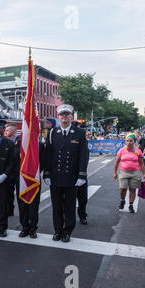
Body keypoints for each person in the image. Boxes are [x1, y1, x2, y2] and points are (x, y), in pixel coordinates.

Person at [43, 104, 88, 243]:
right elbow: (47, 155)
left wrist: (82, 175)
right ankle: (57, 231)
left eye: (67, 114)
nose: (64, 117)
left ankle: (67, 231)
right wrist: (47, 173)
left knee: (69, 206)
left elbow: (83, 155)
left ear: (71, 116)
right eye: (62, 115)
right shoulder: (52, 133)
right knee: (56, 206)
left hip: (71, 177)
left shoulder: (79, 133)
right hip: (56, 176)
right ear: (58, 116)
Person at [17, 132, 47, 239]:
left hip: (34, 178)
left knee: (34, 206)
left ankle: (33, 228)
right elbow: (15, 159)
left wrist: (35, 173)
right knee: (22, 205)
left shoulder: (39, 145)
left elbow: (44, 160)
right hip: (21, 179)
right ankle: (24, 227)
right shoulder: (19, 143)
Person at [113, 133, 145, 213]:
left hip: (135, 173)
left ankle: (131, 205)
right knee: (122, 189)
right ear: (125, 142)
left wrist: (144, 174)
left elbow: (142, 163)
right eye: (127, 141)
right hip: (124, 172)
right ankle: (122, 200)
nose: (128, 142)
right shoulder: (121, 151)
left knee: (132, 189)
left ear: (134, 142)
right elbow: (117, 163)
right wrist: (115, 173)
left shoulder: (138, 151)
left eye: (130, 141)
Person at [73, 121, 90, 225]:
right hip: (70, 174)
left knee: (82, 198)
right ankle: (69, 217)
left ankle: (82, 216)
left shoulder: (83, 141)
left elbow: (85, 157)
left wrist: (82, 173)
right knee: (69, 199)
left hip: (81, 173)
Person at [4, 123, 20, 217]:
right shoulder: (5, 141)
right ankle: (9, 210)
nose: (5, 132)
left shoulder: (20, 141)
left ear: (13, 131)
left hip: (17, 171)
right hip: (8, 172)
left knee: (19, 193)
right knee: (8, 193)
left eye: (7, 130)